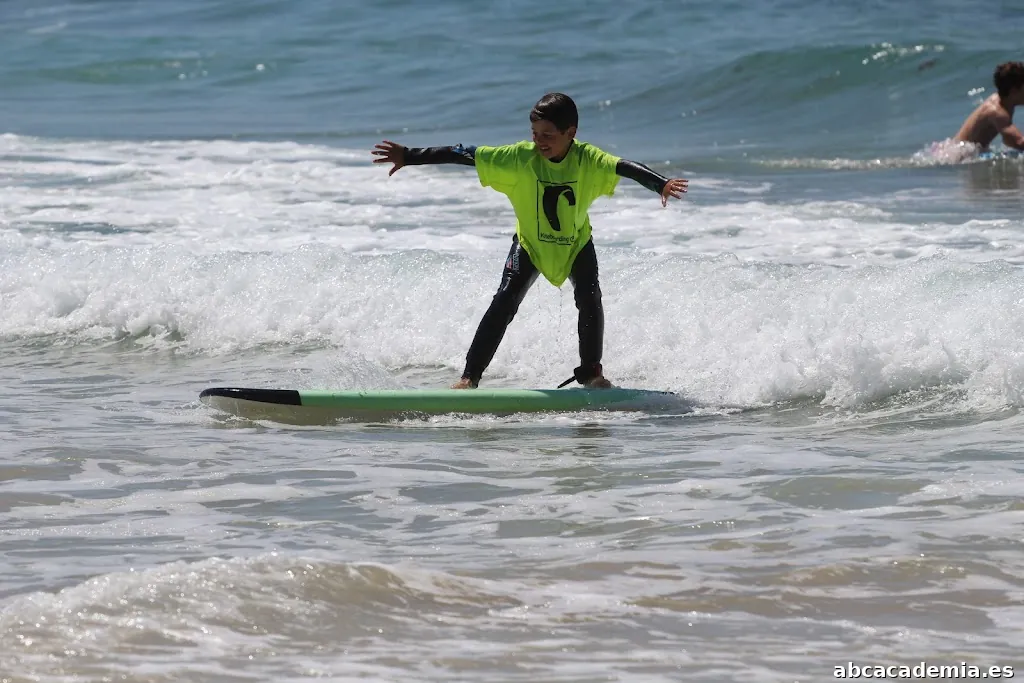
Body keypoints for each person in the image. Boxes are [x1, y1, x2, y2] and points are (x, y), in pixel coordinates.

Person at [371, 92, 688, 389]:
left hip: (575, 242)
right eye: (535, 133)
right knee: (504, 301)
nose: (539, 142)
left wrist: (660, 184)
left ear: (570, 133)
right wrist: (409, 155)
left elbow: (623, 166)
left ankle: (592, 374)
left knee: (590, 299)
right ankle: (469, 378)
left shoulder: (588, 159)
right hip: (531, 244)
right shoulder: (519, 157)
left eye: (548, 135)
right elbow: (465, 154)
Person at [955, 61, 1024, 151]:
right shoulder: (997, 112)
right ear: (1014, 90)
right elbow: (1018, 142)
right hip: (958, 156)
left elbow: (1009, 140)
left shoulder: (1003, 100)